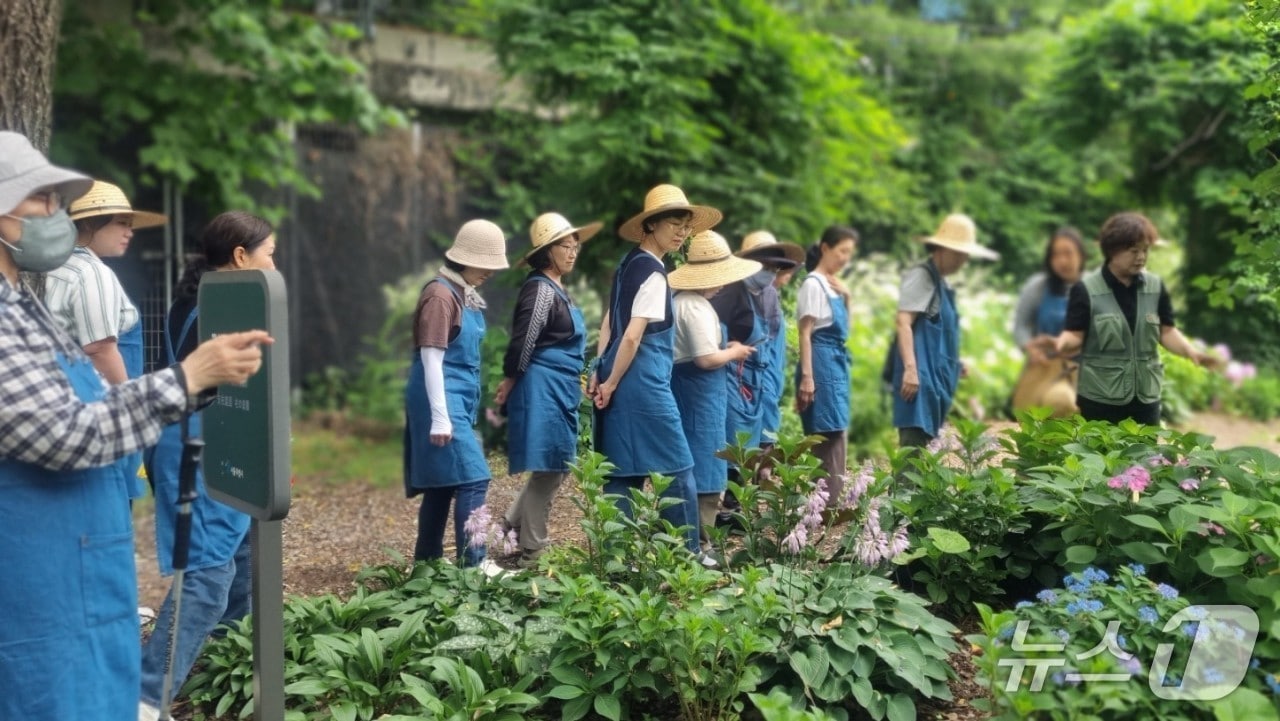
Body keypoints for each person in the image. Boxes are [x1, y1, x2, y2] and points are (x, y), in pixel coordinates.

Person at [0, 130, 269, 721]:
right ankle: (154, 694)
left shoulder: (25, 299)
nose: (56, 216)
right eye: (41, 201)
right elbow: (65, 432)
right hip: (40, 577)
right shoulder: (59, 290)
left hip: (73, 563)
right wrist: (190, 377)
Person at [138, 211, 277, 721]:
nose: (274, 263)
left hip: (206, 442)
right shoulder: (217, 309)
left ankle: (220, 666)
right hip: (198, 447)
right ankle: (147, 698)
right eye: (270, 253)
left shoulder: (197, 299)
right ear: (240, 257)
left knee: (238, 558)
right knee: (206, 577)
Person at [590, 183, 720, 557]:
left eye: (685, 226)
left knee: (623, 471)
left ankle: (614, 559)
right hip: (643, 381)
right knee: (678, 467)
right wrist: (611, 380)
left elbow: (607, 326)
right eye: (675, 224)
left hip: (618, 374)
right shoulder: (654, 273)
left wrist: (600, 370)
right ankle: (686, 555)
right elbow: (630, 337)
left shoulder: (627, 264)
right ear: (651, 225)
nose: (682, 232)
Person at [44, 181, 166, 500]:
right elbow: (100, 347)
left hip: (65, 400)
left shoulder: (52, 267)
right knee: (112, 499)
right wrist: (131, 405)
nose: (130, 232)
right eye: (121, 223)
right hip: (104, 405)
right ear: (88, 223)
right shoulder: (92, 273)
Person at [494, 212, 600, 567]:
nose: (572, 252)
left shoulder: (556, 287)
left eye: (575, 246)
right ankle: (532, 550)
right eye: (564, 246)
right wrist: (510, 381)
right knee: (551, 467)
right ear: (546, 251)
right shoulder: (540, 288)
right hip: (542, 384)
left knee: (553, 465)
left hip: (559, 383)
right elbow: (524, 341)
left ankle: (510, 527)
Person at [405, 219, 509, 573]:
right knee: (474, 477)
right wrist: (440, 416)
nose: (491, 273)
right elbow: (431, 357)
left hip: (454, 398)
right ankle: (474, 566)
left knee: (443, 482)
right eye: (487, 264)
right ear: (466, 258)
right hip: (440, 396)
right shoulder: (440, 295)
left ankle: (427, 563)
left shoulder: (460, 292)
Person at [1055, 212, 1213, 425]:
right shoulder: (1086, 290)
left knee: (1146, 458)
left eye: (1145, 250)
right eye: (1133, 251)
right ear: (1112, 251)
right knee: (1099, 456)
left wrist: (1191, 352)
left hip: (1145, 398)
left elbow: (1166, 332)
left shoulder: (1156, 287)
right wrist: (1057, 346)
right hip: (1100, 398)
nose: (1141, 257)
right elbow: (1075, 335)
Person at [668, 230, 760, 551]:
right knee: (705, 466)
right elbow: (706, 359)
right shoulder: (693, 307)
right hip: (698, 393)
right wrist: (734, 353)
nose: (721, 284)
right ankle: (699, 543)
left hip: (697, 392)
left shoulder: (683, 301)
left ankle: (687, 541)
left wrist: (728, 346)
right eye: (717, 277)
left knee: (696, 461)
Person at [713, 230, 802, 524]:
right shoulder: (728, 292)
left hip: (758, 377)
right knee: (732, 441)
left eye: (774, 269)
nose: (769, 274)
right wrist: (727, 346)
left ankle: (737, 507)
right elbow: (711, 334)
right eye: (765, 267)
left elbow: (772, 343)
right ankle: (722, 509)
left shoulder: (770, 295)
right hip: (731, 376)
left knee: (755, 444)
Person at [892, 213, 998, 449]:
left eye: (966, 254)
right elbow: (903, 321)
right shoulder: (922, 276)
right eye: (959, 253)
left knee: (922, 459)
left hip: (933, 383)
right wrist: (910, 369)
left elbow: (938, 335)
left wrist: (955, 364)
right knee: (912, 457)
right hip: (917, 382)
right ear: (940, 248)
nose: (963, 260)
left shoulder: (942, 283)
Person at [795, 225, 858, 500]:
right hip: (820, 363)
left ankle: (831, 500)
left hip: (835, 361)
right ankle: (824, 504)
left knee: (837, 430)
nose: (845, 258)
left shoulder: (834, 286)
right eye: (842, 251)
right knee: (826, 432)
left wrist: (847, 296)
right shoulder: (813, 284)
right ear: (825, 248)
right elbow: (804, 332)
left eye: (850, 253)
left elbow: (846, 331)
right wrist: (807, 377)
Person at [1009, 226, 1087, 417]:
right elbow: (1021, 325)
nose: (1062, 261)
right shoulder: (1038, 287)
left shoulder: (1093, 287)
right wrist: (1031, 347)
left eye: (1068, 253)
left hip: (1083, 370)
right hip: (1044, 367)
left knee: (1063, 405)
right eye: (1055, 255)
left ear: (1081, 255)